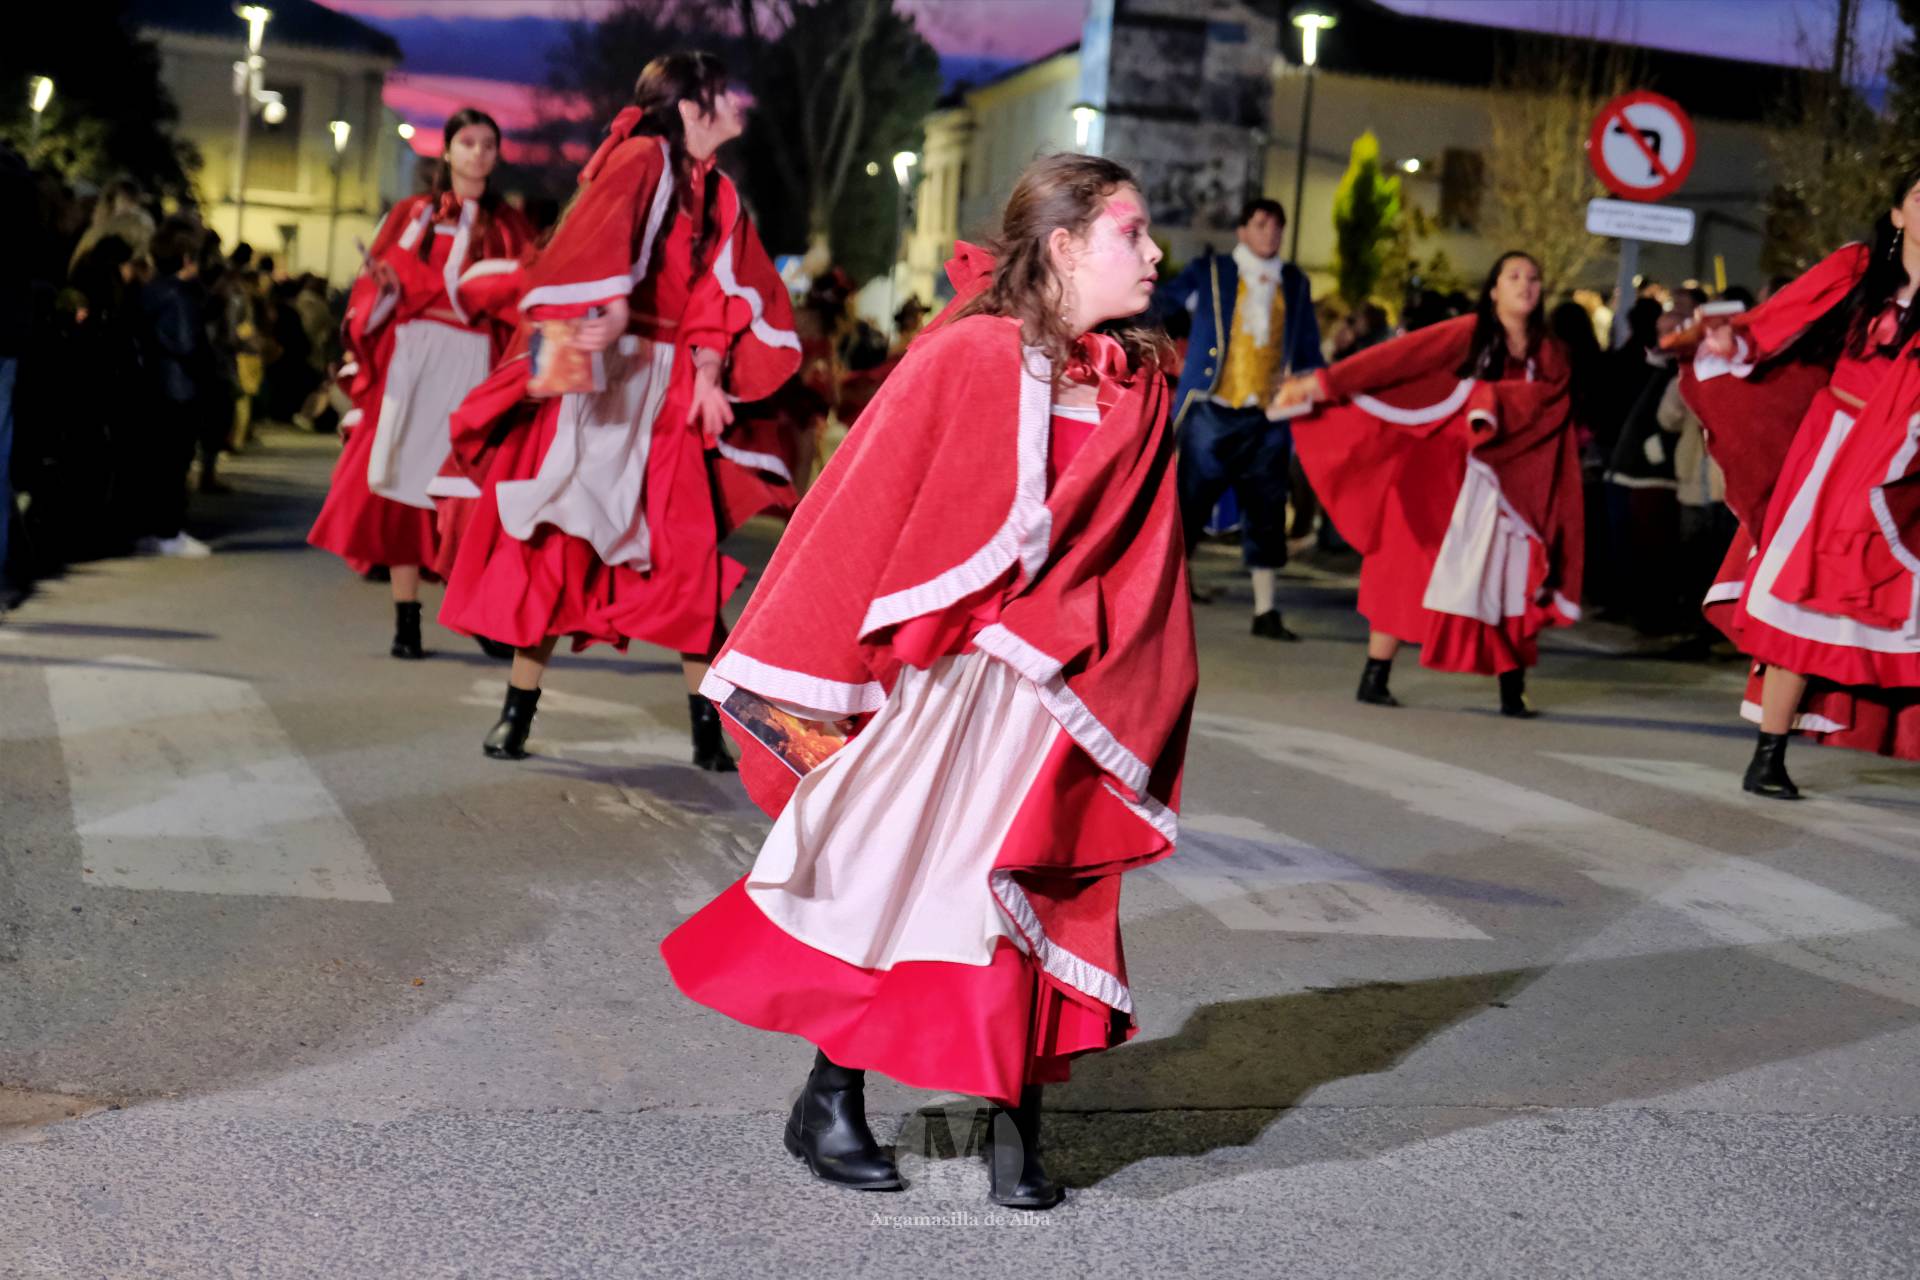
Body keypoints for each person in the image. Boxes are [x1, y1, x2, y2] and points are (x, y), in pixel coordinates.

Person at [660, 153, 1195, 1212]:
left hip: (1063, 688)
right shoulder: (970, 356)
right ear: (1063, 244)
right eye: (1130, 231)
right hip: (951, 683)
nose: (1154, 251)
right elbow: (859, 511)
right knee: (890, 878)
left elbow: (1149, 560)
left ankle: (1015, 1120)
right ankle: (829, 1094)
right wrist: (824, 676)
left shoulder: (1138, 385)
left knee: (1027, 890)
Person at [438, 53, 803, 767]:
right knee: (558, 543)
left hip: (665, 391)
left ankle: (708, 733)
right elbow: (586, 245)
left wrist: (706, 370)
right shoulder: (641, 155)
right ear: (693, 107)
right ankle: (518, 710)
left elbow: (720, 294)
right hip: (602, 374)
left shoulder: (719, 192)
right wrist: (595, 312)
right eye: (725, 93)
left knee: (685, 554)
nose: (739, 104)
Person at [1682, 164, 1920, 795]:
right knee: (1805, 590)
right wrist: (1735, 340)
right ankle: (1768, 752)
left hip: (1908, 468)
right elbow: (1774, 322)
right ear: (1896, 214)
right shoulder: (1859, 273)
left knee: (1904, 605)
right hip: (1835, 455)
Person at [1273, 251, 1583, 715]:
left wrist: (1498, 400)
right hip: (1441, 470)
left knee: (1509, 574)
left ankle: (1512, 684)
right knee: (1405, 564)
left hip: (1509, 483)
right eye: (1513, 276)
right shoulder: (1469, 333)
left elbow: (1554, 408)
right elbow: (1396, 359)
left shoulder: (1551, 351)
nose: (1525, 285)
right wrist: (1325, 383)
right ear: (1494, 288)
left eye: (1533, 278)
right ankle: (1374, 673)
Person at [307, 108, 535, 661]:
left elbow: (529, 293)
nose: (478, 153)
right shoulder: (412, 214)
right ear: (448, 151)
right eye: (467, 142)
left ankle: (475, 609)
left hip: (477, 361)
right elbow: (371, 289)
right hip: (414, 358)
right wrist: (387, 286)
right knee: (408, 489)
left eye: (488, 143)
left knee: (476, 493)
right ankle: (406, 619)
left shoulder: (508, 225)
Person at [1154, 198, 1324, 638]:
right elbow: (1160, 304)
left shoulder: (1295, 281)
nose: (1271, 233)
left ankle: (1265, 611)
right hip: (1212, 408)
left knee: (1267, 511)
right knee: (1187, 506)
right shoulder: (1210, 271)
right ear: (1242, 231)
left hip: (1267, 417)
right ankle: (1164, 603)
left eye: (1277, 226)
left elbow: (1307, 351)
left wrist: (1312, 386)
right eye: (1262, 224)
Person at [136, 223, 216, 558]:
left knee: (157, 462)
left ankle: (154, 530)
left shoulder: (151, 290)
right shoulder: (182, 296)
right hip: (181, 387)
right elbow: (189, 344)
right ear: (187, 258)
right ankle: (170, 533)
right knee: (176, 463)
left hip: (154, 385)